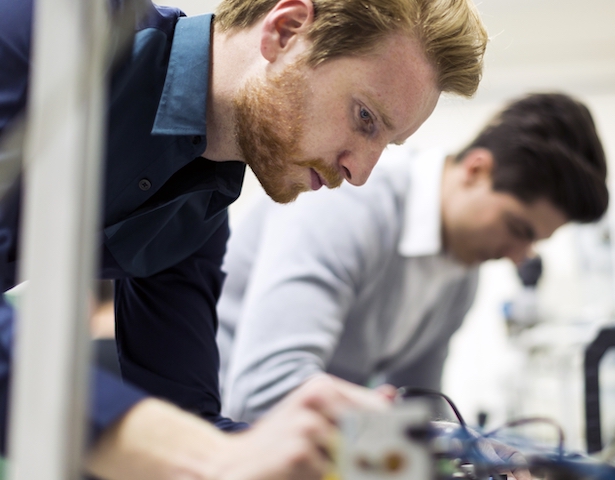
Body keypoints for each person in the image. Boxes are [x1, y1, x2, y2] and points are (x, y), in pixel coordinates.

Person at [0, 0, 487, 477]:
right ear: (287, 30)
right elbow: (202, 455)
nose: (359, 172)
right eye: (364, 118)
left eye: (385, 143)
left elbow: (189, 420)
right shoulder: (47, 27)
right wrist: (190, 452)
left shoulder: (197, 211)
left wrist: (416, 459)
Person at [216, 93, 609, 423]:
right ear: (476, 169)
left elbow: (422, 403)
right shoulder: (350, 202)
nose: (519, 256)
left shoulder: (460, 274)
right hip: (211, 435)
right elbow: (263, 392)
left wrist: (474, 447)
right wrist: (431, 438)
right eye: (519, 229)